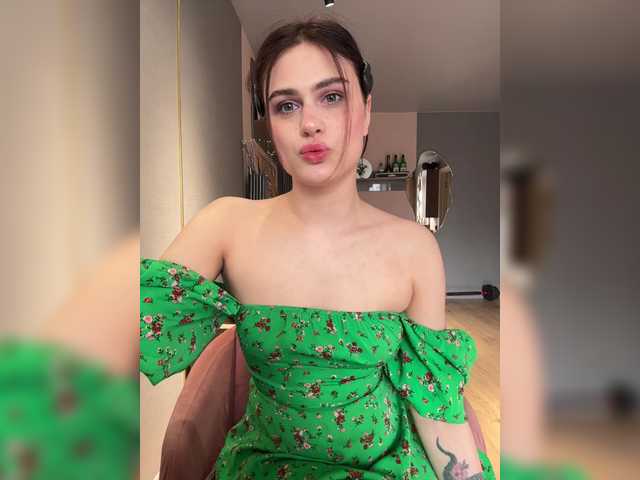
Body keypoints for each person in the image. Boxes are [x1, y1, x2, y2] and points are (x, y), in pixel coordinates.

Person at [140, 17, 495, 480]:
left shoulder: (415, 249)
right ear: (270, 124)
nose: (309, 123)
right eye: (286, 106)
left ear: (366, 111)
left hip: (386, 468)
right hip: (264, 468)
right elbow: (124, 329)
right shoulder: (227, 224)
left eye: (332, 97)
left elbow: (435, 404)